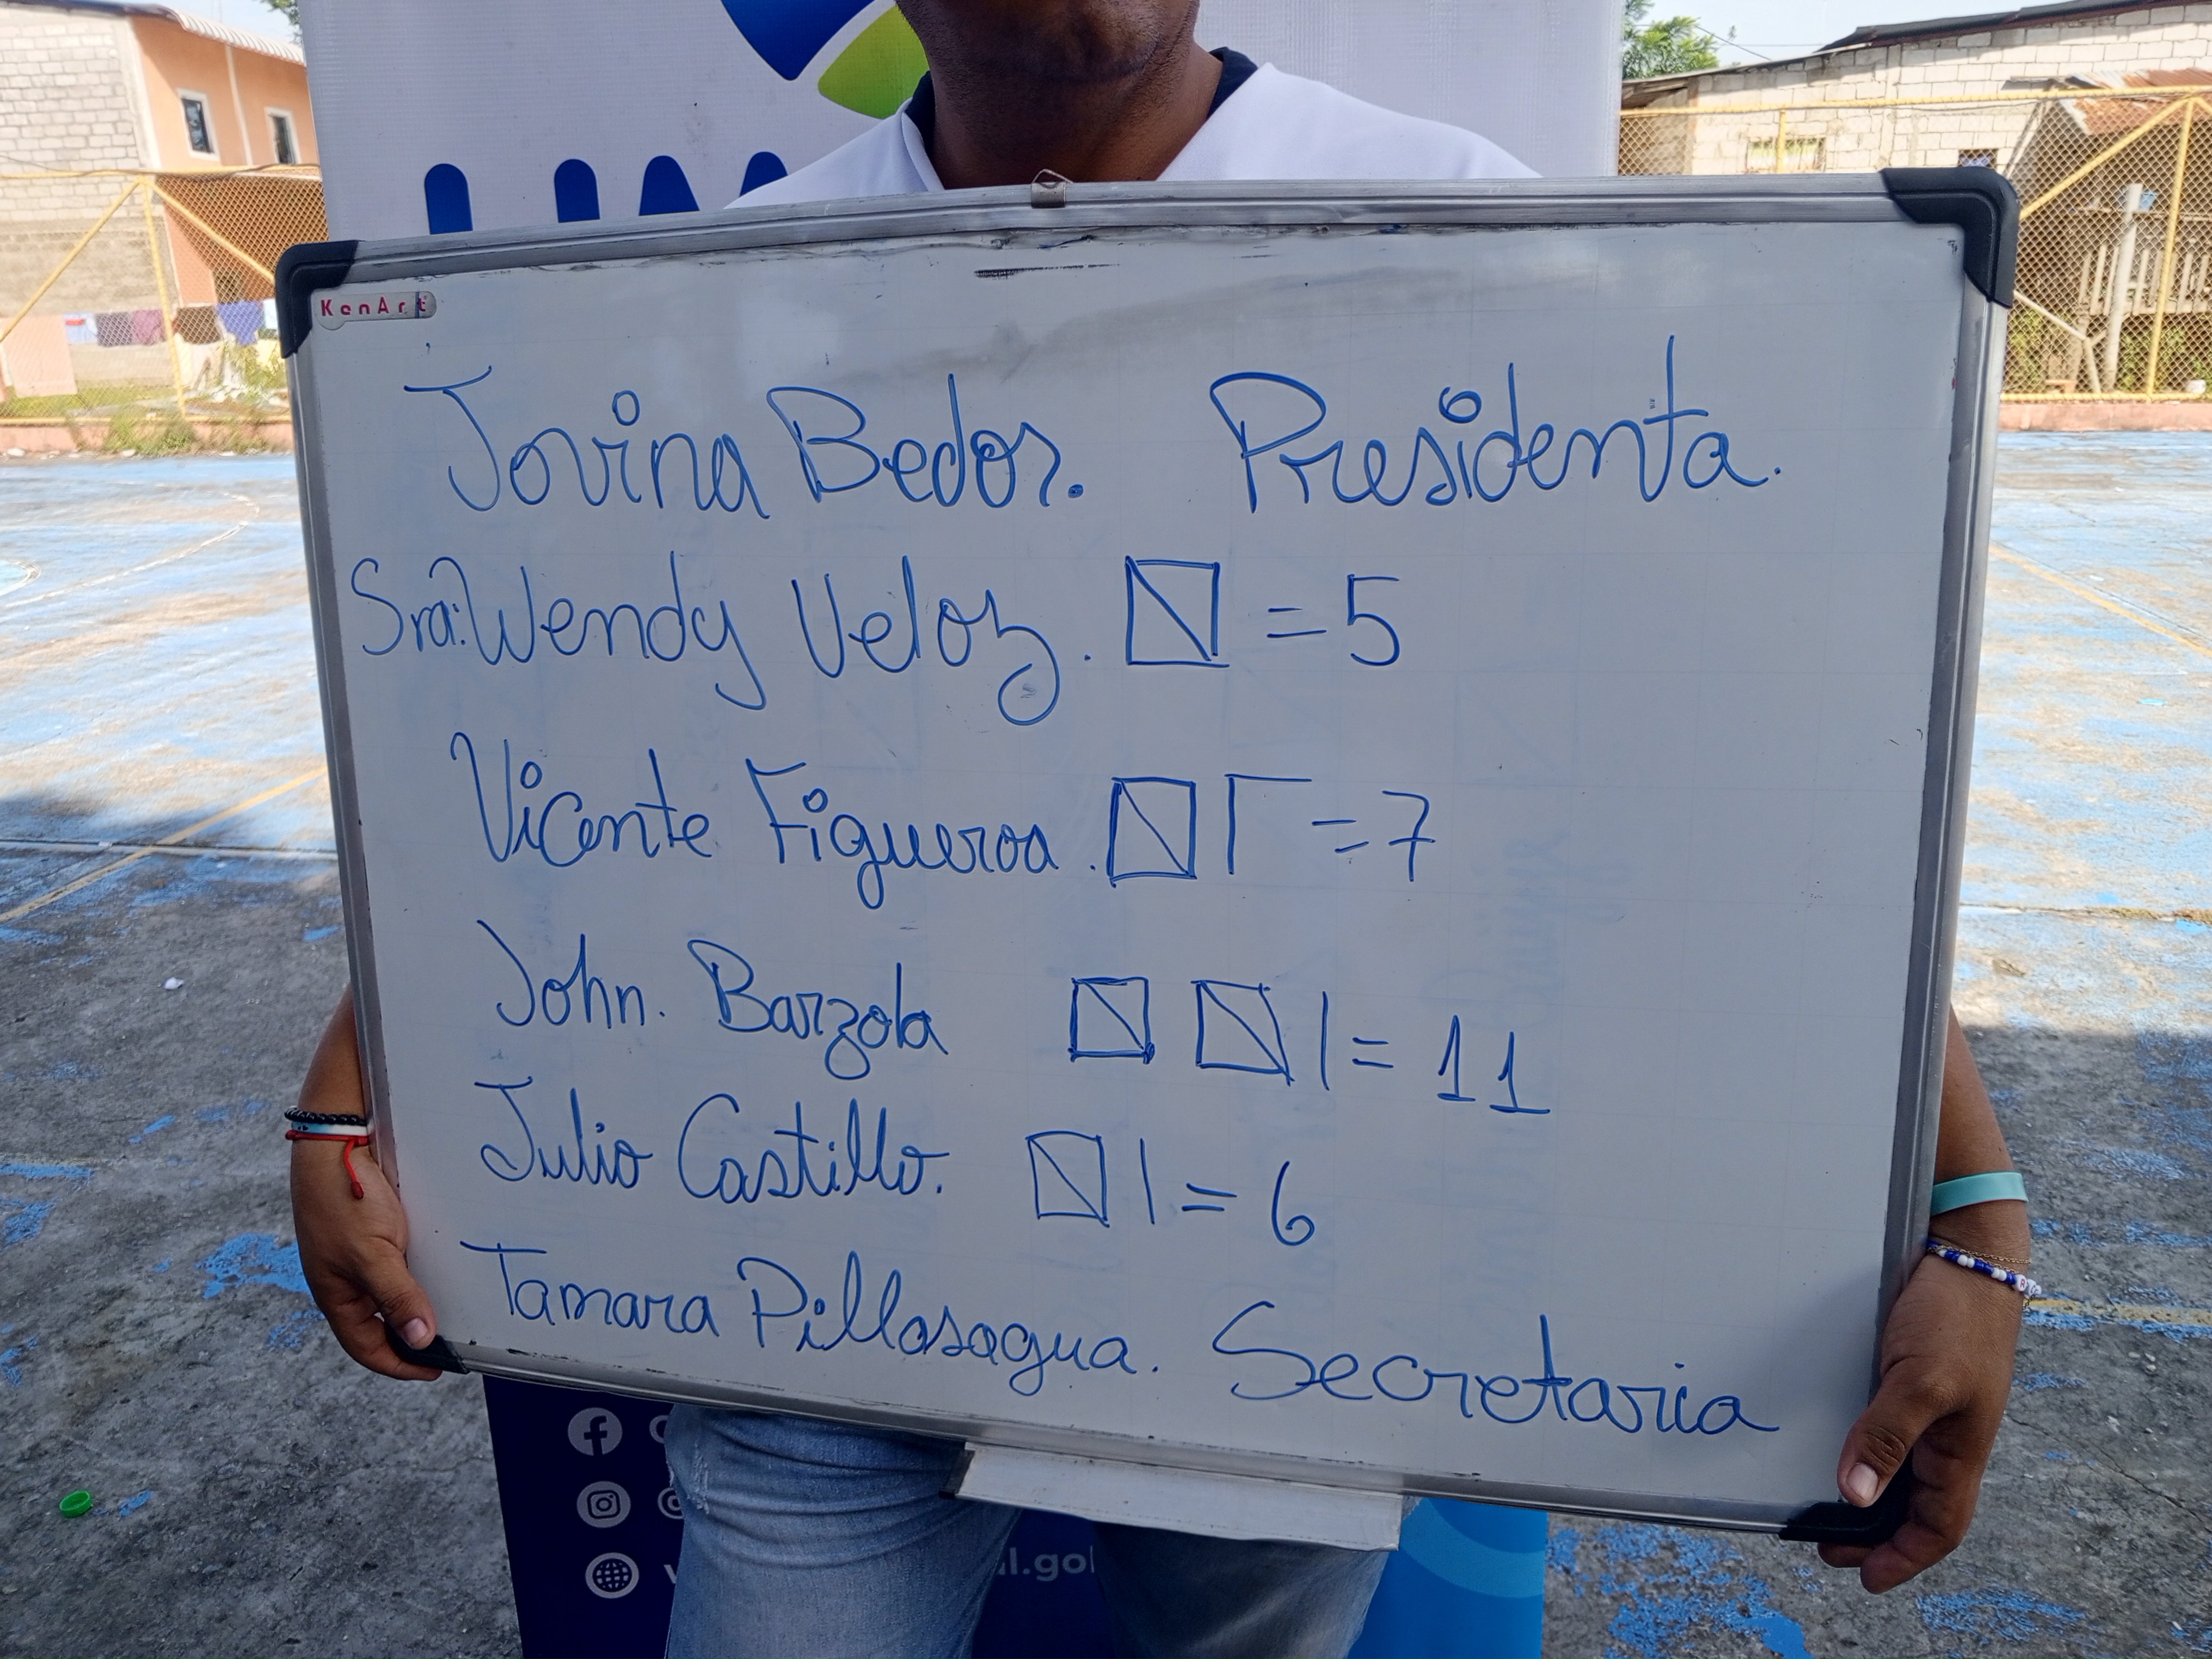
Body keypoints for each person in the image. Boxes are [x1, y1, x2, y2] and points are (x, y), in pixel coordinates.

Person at [290, 3, 2033, 1654]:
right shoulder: (728, 295)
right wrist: (356, 1078)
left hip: (1305, 1269)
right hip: (822, 1233)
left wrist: (1974, 1203)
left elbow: (1735, 750)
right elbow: (567, 743)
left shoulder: (1467, 226)